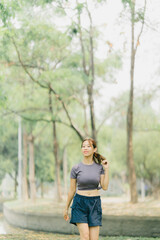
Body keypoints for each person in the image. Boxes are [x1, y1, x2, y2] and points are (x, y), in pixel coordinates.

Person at [63, 138, 109, 240]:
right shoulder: (76, 168)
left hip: (94, 203)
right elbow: (72, 190)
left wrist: (106, 169)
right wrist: (66, 208)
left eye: (88, 146)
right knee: (85, 236)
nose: (85, 148)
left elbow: (105, 187)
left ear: (94, 149)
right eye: (83, 146)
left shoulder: (99, 168)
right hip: (80, 203)